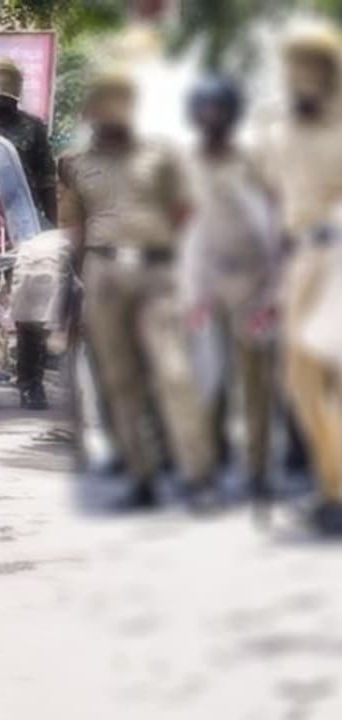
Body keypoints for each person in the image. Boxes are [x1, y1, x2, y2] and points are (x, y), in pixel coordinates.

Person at [58, 66, 216, 510]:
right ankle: (141, 476)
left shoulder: (160, 154)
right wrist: (73, 292)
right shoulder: (75, 163)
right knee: (119, 379)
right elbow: (74, 227)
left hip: (157, 271)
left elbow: (184, 211)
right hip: (102, 273)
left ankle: (196, 475)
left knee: (173, 372)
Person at [258, 21, 342, 535]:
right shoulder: (274, 134)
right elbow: (272, 203)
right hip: (299, 262)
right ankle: (331, 486)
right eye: (293, 68)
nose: (301, 77)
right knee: (299, 383)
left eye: (312, 67)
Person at [183, 74, 276, 507]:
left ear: (231, 114)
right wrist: (191, 290)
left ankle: (258, 470)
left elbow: (271, 226)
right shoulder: (188, 166)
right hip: (206, 281)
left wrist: (271, 292)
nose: (211, 118)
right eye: (204, 110)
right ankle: (208, 469)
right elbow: (186, 232)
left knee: (253, 383)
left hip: (250, 282)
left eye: (219, 110)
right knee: (207, 381)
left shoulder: (251, 163)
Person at [0, 55, 59, 411]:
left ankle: (31, 383)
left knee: (30, 308)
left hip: (25, 228)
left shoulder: (32, 129)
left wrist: (50, 230)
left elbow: (46, 183)